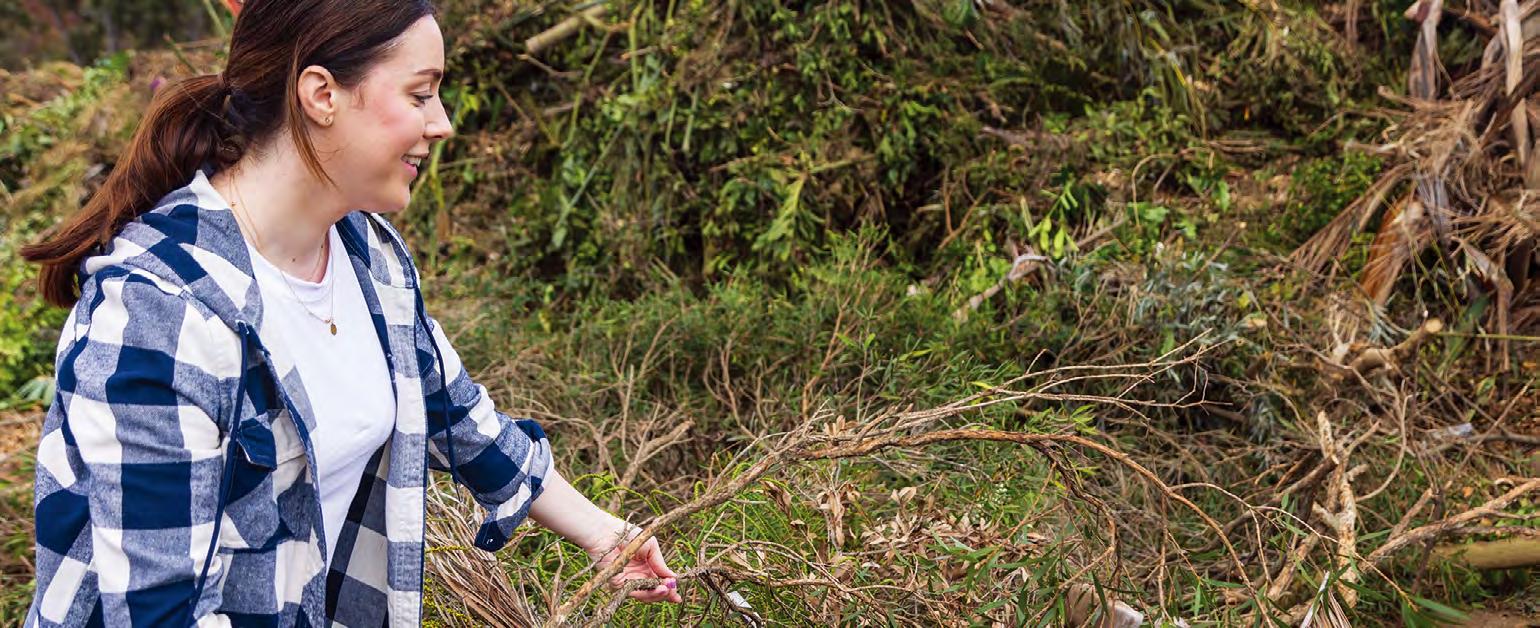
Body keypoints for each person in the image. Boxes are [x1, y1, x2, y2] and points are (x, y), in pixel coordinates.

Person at [21, 1, 681, 625]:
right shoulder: (159, 312)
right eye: (420, 94)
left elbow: (456, 416)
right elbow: (158, 612)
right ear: (321, 94)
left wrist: (608, 537)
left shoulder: (366, 253)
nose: (442, 122)